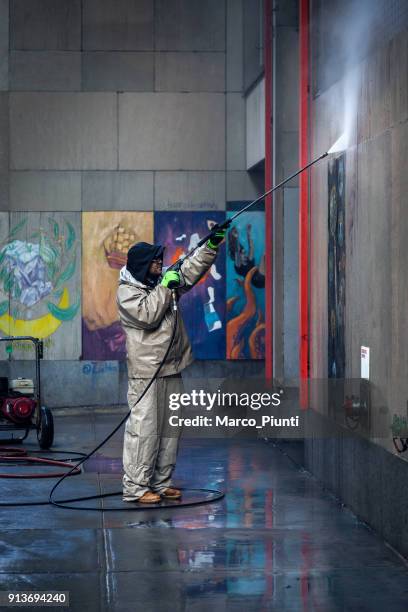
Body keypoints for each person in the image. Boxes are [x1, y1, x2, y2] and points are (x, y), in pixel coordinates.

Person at [116, 228, 226, 503]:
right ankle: (136, 487)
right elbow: (148, 315)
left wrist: (210, 246)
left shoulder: (161, 283)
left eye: (159, 262)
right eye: (154, 263)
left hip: (171, 368)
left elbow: (187, 269)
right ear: (142, 266)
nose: (159, 265)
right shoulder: (127, 293)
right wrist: (166, 285)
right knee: (145, 431)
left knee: (169, 431)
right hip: (147, 374)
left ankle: (161, 482)